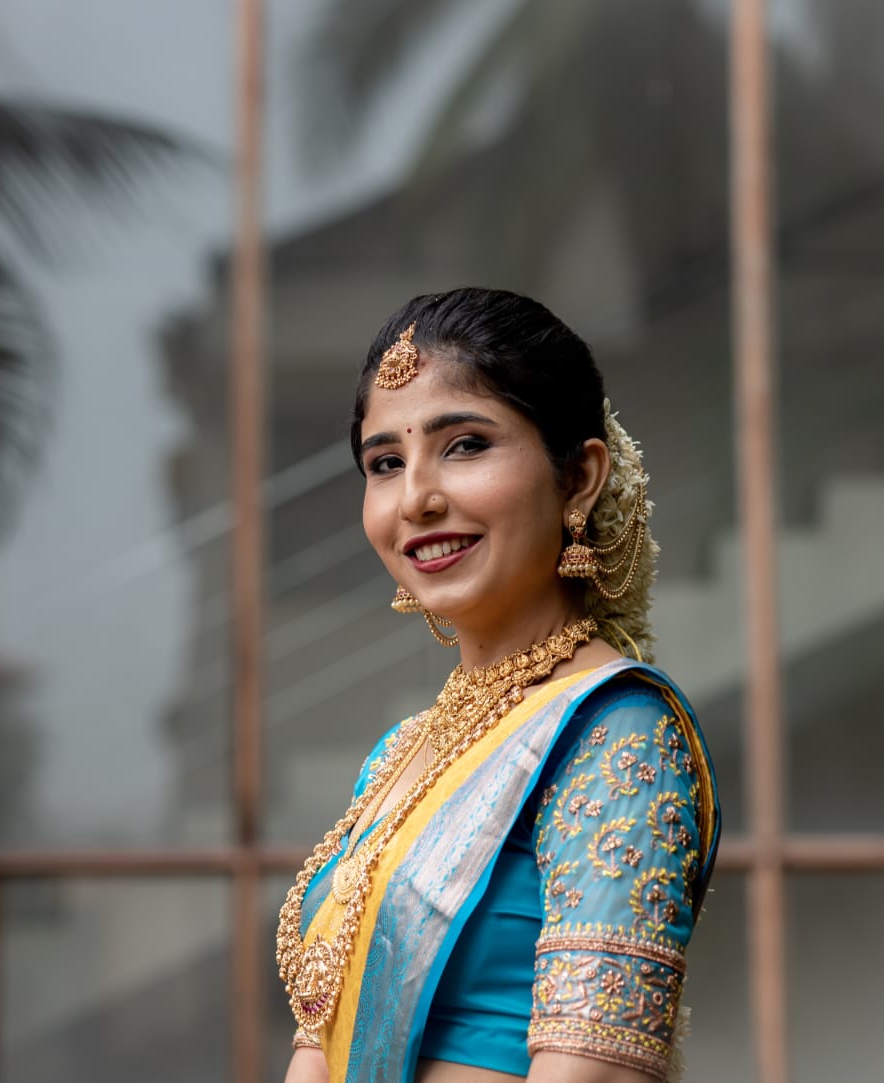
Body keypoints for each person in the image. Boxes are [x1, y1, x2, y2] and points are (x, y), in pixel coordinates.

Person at [276, 289, 720, 1083]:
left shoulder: (614, 730)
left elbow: (597, 1072)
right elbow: (320, 1043)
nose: (416, 497)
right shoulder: (398, 755)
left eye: (465, 444)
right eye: (385, 462)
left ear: (579, 477)